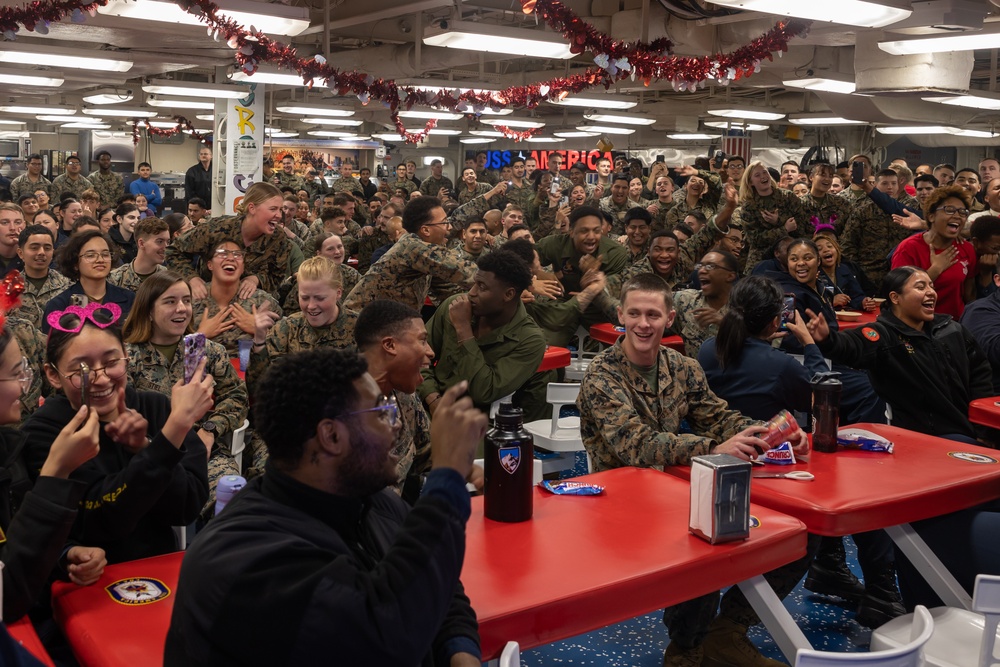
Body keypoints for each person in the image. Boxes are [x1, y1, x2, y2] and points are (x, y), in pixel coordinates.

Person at [164, 349, 485, 666]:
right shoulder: (246, 559)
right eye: (380, 411)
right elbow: (386, 638)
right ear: (331, 435)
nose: (397, 423)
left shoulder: (373, 501)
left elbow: (437, 586)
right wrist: (447, 481)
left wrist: (460, 650)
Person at [577, 272, 810, 667]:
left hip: (673, 490)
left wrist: (773, 433)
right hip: (618, 503)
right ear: (620, 315)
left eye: (653, 314)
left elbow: (716, 416)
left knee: (801, 531)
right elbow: (637, 445)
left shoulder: (681, 366)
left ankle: (729, 627)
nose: (643, 324)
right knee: (703, 541)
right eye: (634, 313)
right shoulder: (602, 376)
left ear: (669, 318)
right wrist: (714, 447)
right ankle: (687, 648)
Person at [22, 301, 213, 563]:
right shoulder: (45, 431)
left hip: (156, 569)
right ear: (53, 375)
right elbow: (100, 521)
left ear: (126, 355)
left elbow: (186, 508)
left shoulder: (154, 406)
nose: (100, 378)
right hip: (86, 581)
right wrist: (172, 432)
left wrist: (146, 447)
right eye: (82, 370)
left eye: (112, 361)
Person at [0, 310, 107, 621]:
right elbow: (7, 596)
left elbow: (16, 539)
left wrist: (65, 554)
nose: (24, 387)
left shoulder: (9, 446)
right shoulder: (38, 436)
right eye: (16, 374)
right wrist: (55, 474)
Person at [122, 271, 248, 514]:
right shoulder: (127, 356)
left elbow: (237, 397)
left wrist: (210, 430)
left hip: (203, 451)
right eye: (170, 302)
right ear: (148, 310)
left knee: (235, 502)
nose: (182, 308)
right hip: (147, 454)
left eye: (187, 301)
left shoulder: (207, 350)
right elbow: (122, 411)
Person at [419, 249, 550, 422]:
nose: (471, 293)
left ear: (508, 294)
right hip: (428, 401)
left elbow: (484, 392)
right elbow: (416, 358)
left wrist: (463, 330)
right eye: (474, 283)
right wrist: (433, 398)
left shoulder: (529, 340)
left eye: (482, 287)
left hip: (478, 420)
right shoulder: (454, 306)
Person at [353, 300, 438, 501]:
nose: (431, 352)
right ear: (390, 345)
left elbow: (429, 458)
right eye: (422, 340)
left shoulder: (402, 395)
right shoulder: (339, 408)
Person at [166, 181, 302, 299]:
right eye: (273, 209)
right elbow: (173, 251)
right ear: (252, 208)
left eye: (280, 210)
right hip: (209, 298)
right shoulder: (217, 229)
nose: (279, 215)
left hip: (250, 302)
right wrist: (192, 279)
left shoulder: (278, 238)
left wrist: (256, 279)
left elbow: (277, 275)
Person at [344, 197, 477, 314]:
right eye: (444, 223)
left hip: (390, 323)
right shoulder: (413, 247)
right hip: (360, 328)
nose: (448, 228)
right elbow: (465, 271)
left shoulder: (418, 247)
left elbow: (446, 288)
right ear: (425, 230)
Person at [248, 256, 357, 397]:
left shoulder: (359, 328)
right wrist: (259, 341)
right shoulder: (286, 329)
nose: (311, 306)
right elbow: (258, 390)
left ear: (338, 293)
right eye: (304, 298)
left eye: (320, 298)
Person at [891, 185, 976, 319]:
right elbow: (897, 296)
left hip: (954, 327)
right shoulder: (908, 248)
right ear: (931, 216)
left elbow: (969, 295)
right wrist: (935, 270)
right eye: (949, 210)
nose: (957, 216)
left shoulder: (967, 248)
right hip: (917, 326)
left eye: (962, 212)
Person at [192, 239, 281, 358]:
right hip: (203, 373)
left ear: (243, 268)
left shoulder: (262, 302)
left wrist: (261, 333)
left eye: (237, 255)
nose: (230, 258)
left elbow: (284, 349)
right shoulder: (191, 301)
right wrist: (200, 335)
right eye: (222, 253)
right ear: (210, 265)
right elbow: (172, 354)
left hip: (251, 373)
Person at [42, 229, 136, 333]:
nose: (100, 260)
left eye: (105, 254)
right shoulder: (59, 305)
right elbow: (53, 346)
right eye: (90, 255)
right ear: (75, 263)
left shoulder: (129, 299)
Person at [739, 160, 806, 275]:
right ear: (751, 182)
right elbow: (755, 240)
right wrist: (783, 229)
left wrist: (778, 221)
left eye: (765, 173)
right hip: (760, 257)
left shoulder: (788, 197)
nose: (763, 177)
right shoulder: (748, 207)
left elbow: (802, 227)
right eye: (757, 175)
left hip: (790, 253)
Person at [670, 250, 739, 357]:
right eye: (700, 266)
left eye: (710, 266)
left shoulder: (744, 306)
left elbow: (756, 344)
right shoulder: (683, 299)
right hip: (695, 372)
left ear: (730, 276)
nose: (702, 271)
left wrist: (725, 324)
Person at [12, 225, 71, 329]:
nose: (41, 253)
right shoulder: (8, 290)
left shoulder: (68, 286)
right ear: (20, 253)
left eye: (47, 248)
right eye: (34, 248)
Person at [815, 231, 872, 312]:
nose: (826, 250)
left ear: (837, 250)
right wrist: (831, 301)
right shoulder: (813, 274)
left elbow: (856, 296)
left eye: (830, 246)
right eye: (819, 249)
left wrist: (863, 302)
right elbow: (810, 301)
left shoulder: (845, 269)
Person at [108, 217, 169, 292]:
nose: (166, 247)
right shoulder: (116, 279)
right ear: (141, 243)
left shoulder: (168, 278)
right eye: (160, 241)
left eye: (168, 242)